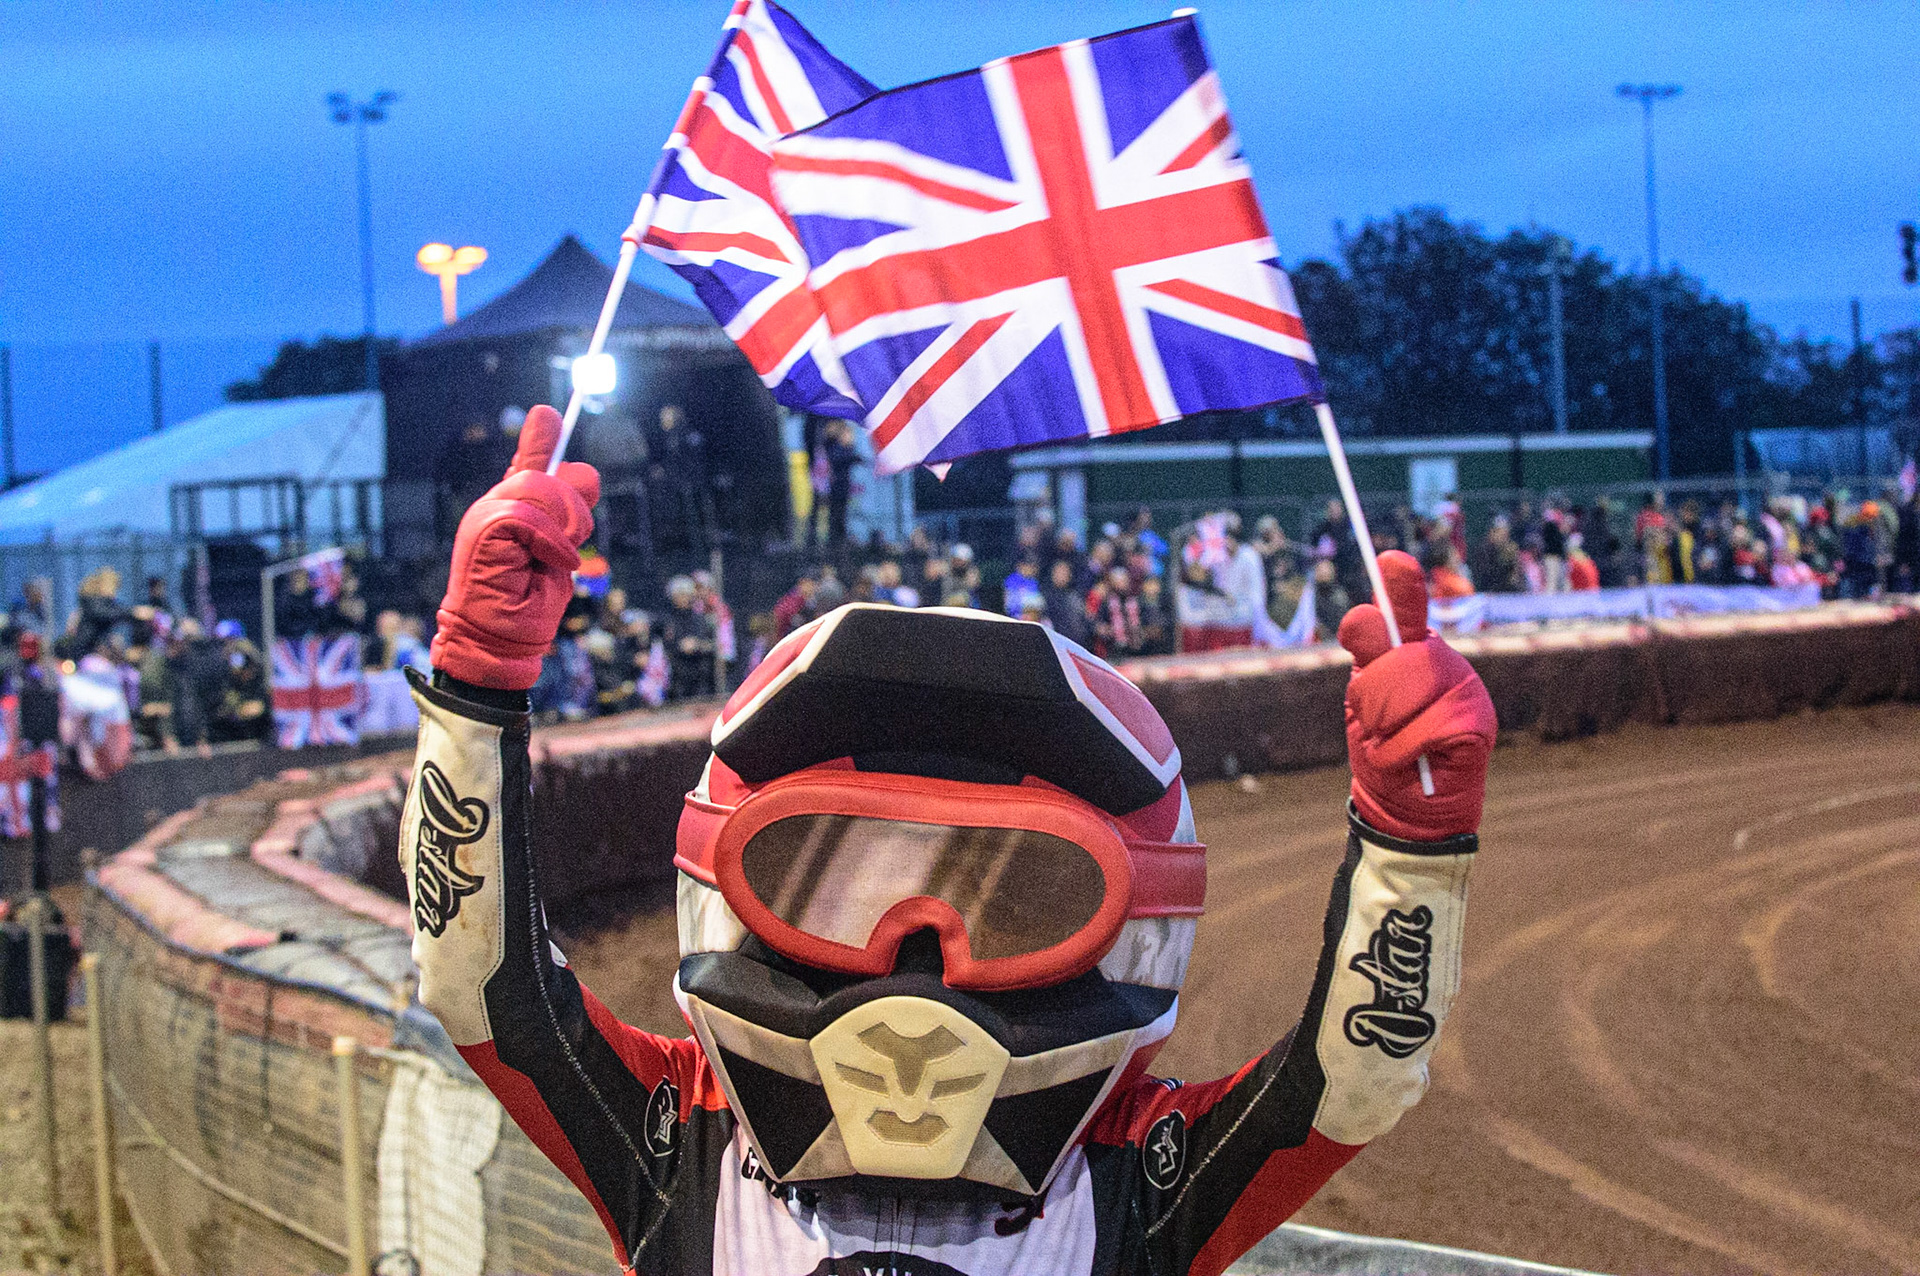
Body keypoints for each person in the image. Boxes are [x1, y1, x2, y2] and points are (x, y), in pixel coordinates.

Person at [402, 404, 1495, 1276]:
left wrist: (476, 689)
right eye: (835, 882)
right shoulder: (1131, 1179)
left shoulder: (676, 1138)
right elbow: (1357, 1075)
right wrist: (1409, 847)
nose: (917, 958)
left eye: (1010, 900)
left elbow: (482, 988)